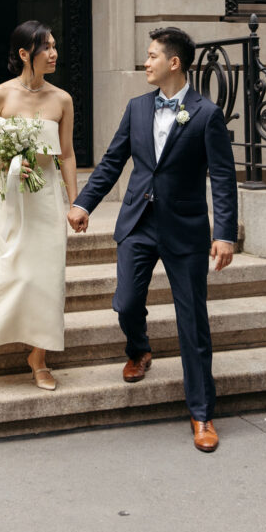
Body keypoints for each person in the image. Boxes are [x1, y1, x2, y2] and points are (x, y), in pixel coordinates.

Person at [68, 26, 237, 452]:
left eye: (151, 56)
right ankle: (140, 350)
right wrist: (84, 203)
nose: (146, 62)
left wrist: (226, 234)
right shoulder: (137, 108)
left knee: (192, 323)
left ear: (173, 63)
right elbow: (111, 161)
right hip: (138, 224)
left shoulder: (205, 114)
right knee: (125, 301)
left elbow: (222, 177)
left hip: (185, 230)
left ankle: (201, 414)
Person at [0, 21, 78, 391]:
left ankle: (39, 356)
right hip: (8, 193)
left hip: (45, 198)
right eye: (47, 47)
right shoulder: (0, 95)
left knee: (46, 275)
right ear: (25, 54)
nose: (54, 53)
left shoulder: (62, 100)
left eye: (55, 46)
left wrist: (77, 204)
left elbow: (68, 155)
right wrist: (11, 161)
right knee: (12, 266)